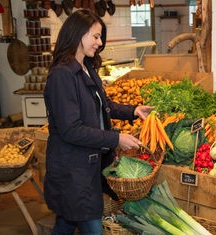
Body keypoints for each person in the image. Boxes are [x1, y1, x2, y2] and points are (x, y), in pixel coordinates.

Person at [43, 9, 154, 235]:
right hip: (73, 169)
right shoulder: (62, 75)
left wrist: (133, 110)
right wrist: (116, 138)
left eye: (100, 37)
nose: (99, 42)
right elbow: (70, 130)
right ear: (78, 34)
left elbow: (105, 105)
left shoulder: (86, 68)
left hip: (87, 166)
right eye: (95, 36)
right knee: (88, 221)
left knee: (67, 221)